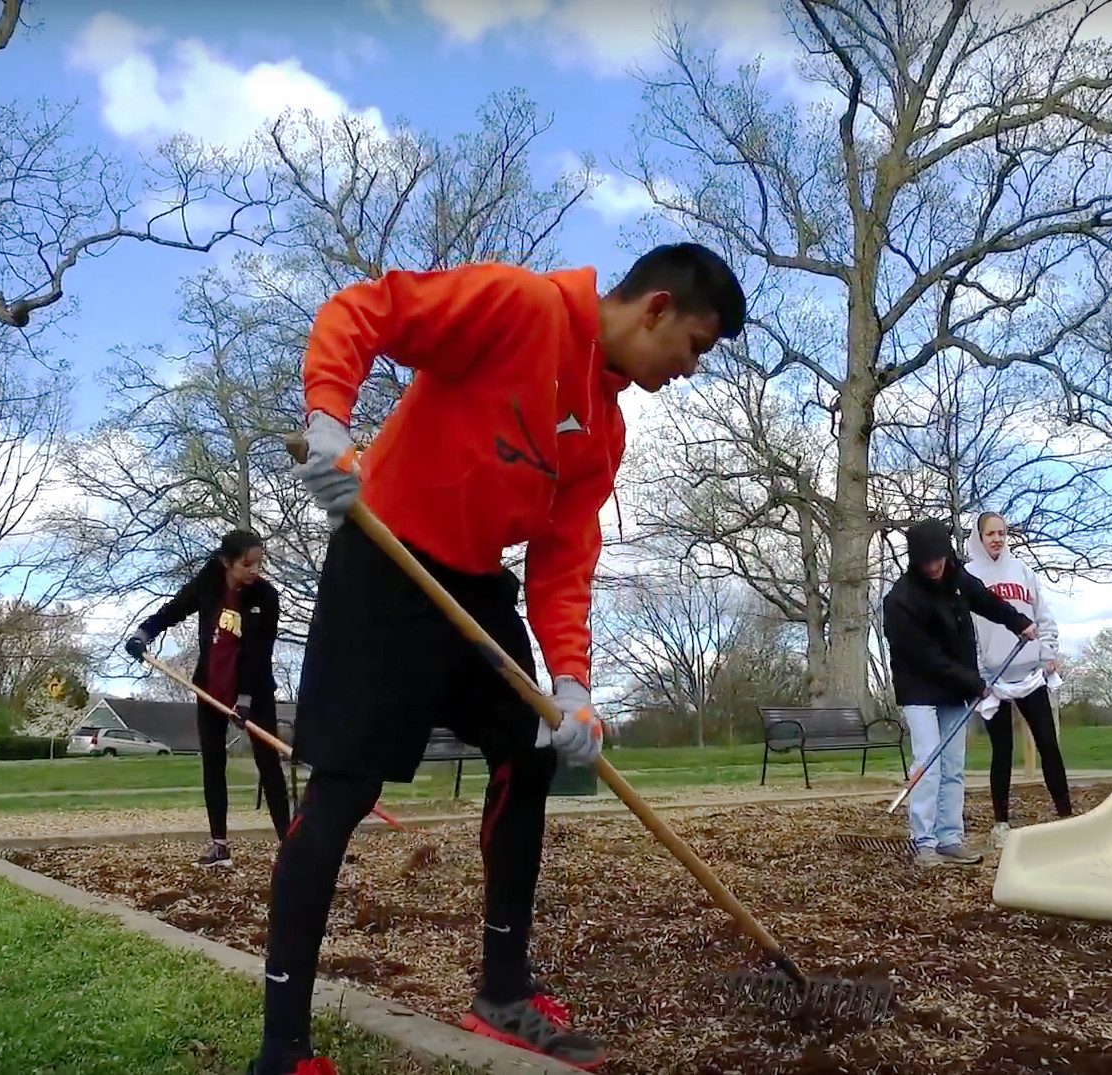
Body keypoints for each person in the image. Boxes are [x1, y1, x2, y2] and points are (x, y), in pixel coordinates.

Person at [249, 243, 746, 1075]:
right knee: (343, 789)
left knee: (529, 748)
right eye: (694, 347)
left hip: (477, 592)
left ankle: (503, 991)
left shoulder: (605, 427)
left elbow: (562, 557)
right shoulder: (518, 305)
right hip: (385, 564)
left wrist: (573, 684)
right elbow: (365, 311)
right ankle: (283, 1047)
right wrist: (331, 417)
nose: (690, 369)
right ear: (655, 308)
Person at [124, 529, 291, 866]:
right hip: (210, 689)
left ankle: (291, 846)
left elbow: (259, 654)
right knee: (213, 764)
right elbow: (174, 610)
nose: (255, 570)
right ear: (226, 562)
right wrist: (144, 634)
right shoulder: (208, 583)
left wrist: (244, 699)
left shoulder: (265, 598)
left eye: (259, 563)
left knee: (269, 764)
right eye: (248, 564)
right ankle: (219, 846)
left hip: (254, 691)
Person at [882, 518, 1036, 869]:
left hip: (955, 688)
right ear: (915, 561)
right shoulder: (900, 601)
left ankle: (949, 838)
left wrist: (1019, 622)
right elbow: (926, 657)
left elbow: (989, 602)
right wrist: (974, 683)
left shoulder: (957, 578)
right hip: (919, 687)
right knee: (929, 762)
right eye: (927, 561)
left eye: (939, 558)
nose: (934, 566)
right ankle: (924, 842)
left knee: (953, 766)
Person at [963, 511, 1071, 849]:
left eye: (1001, 532)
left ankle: (1066, 816)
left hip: (1030, 674)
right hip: (993, 679)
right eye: (990, 533)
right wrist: (978, 673)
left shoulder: (1024, 572)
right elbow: (967, 630)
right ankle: (1001, 823)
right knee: (1002, 751)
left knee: (1048, 744)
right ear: (978, 537)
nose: (997, 538)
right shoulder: (968, 576)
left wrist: (1048, 651)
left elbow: (1043, 616)